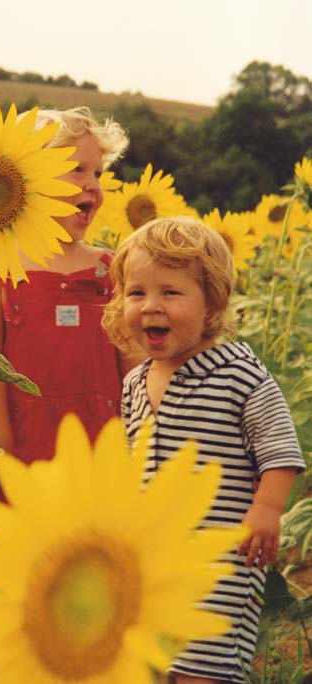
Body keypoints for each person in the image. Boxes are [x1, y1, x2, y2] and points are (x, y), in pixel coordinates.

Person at [103, 216, 305, 684]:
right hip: (151, 559)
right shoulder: (135, 383)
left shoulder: (239, 374)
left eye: (171, 293)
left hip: (222, 559)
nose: (151, 306)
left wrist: (267, 509)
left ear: (212, 303)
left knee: (205, 663)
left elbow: (279, 447)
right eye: (137, 293)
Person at [0, 106, 138, 470]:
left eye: (98, 173)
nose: (92, 184)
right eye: (77, 170)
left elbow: (133, 363)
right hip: (22, 444)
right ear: (31, 178)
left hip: (101, 443)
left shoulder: (107, 268)